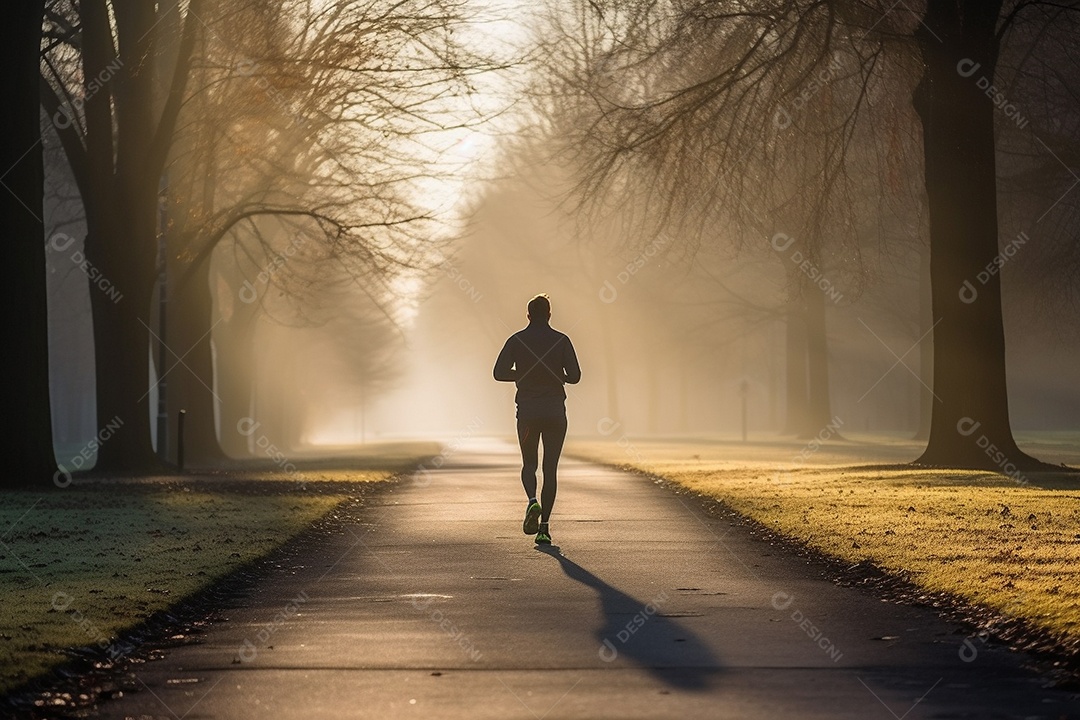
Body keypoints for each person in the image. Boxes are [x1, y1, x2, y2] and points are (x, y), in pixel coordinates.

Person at [493, 293, 581, 545]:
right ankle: (544, 529)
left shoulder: (516, 340)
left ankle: (532, 501)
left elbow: (498, 373)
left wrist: (523, 373)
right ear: (550, 315)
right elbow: (574, 376)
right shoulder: (562, 340)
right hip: (555, 413)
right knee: (550, 469)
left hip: (528, 413)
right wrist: (555, 373)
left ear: (528, 315)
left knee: (529, 464)